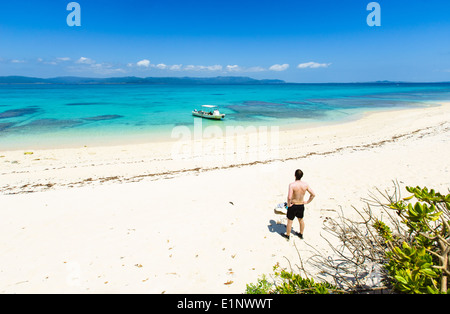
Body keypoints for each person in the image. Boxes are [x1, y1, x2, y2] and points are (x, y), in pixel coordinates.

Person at [283, 169, 316, 240]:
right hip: (301, 205)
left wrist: (288, 205)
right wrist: (307, 201)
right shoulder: (305, 185)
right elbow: (313, 194)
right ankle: (301, 234)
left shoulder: (292, 185)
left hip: (293, 205)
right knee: (301, 220)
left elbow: (289, 197)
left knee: (289, 221)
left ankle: (287, 235)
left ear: (295, 175)